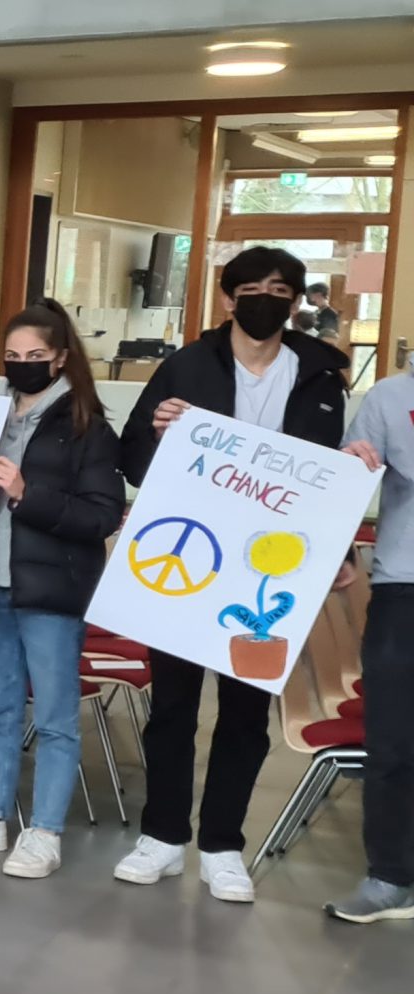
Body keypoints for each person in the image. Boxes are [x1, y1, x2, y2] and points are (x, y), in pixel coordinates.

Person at [114, 246, 351, 903]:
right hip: (190, 560)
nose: (265, 299)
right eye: (251, 289)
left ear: (296, 301)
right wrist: (159, 433)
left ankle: (222, 846)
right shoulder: (186, 366)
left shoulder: (320, 375)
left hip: (271, 570)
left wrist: (342, 536)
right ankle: (162, 837)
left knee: (246, 712)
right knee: (173, 707)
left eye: (280, 289)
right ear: (227, 298)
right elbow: (133, 460)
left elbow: (329, 473)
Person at [0, 303, 122, 877]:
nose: (23, 364)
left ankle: (44, 831)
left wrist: (24, 494)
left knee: (55, 718)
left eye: (36, 355)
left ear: (60, 358)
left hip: (53, 593)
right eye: (13, 356)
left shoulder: (87, 427)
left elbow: (100, 517)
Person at [328, 364, 412, 922]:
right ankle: (390, 876)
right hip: (403, 586)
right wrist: (347, 466)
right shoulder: (391, 396)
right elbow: (342, 480)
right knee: (392, 742)